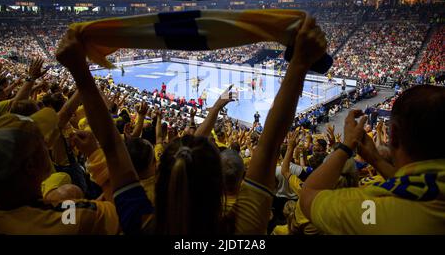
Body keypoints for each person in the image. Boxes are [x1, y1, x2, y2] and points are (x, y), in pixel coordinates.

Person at [55, 14, 327, 235]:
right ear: (219, 185)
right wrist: (300, 62)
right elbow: (269, 144)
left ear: (160, 179)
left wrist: (80, 71)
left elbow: (112, 147)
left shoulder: (141, 222)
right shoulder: (244, 227)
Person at [299, 85, 445, 234]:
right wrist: (376, 160)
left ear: (393, 135)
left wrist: (346, 146)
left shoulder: (374, 207)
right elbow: (414, 186)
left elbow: (309, 195)